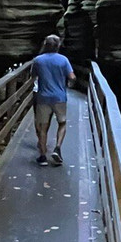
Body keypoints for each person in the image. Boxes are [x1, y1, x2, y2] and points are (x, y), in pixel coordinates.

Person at [31, 34, 75, 166]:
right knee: (62, 123)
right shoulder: (64, 60)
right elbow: (72, 77)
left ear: (45, 45)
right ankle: (57, 148)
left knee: (43, 127)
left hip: (43, 97)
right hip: (60, 97)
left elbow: (33, 76)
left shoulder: (38, 60)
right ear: (58, 45)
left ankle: (43, 156)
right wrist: (70, 83)